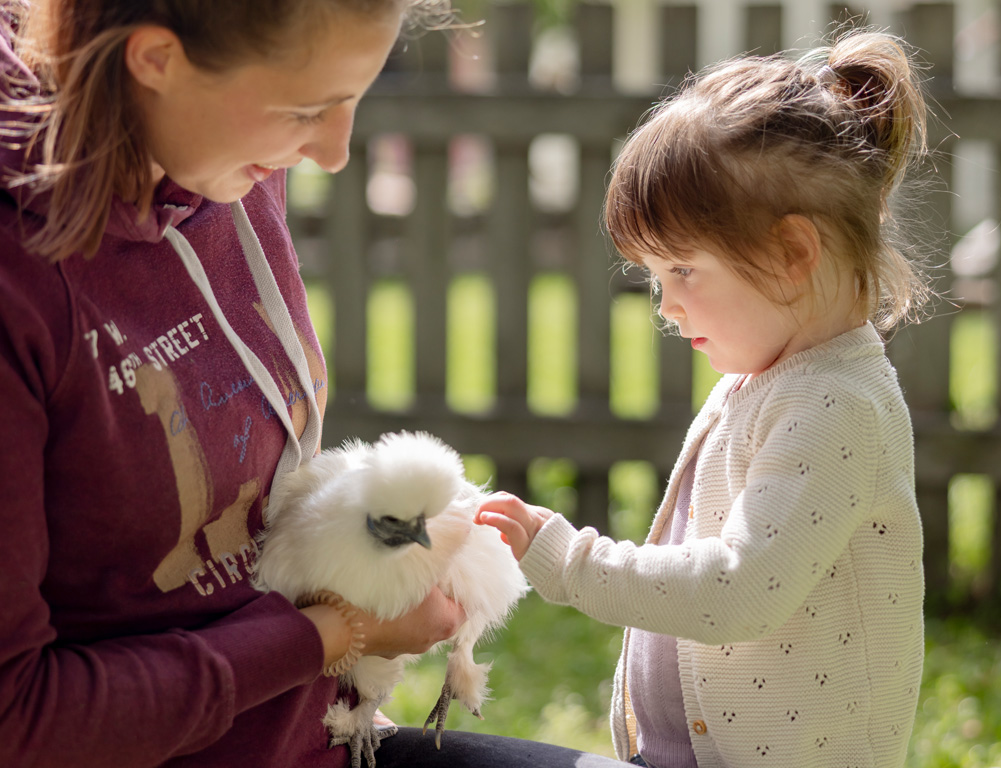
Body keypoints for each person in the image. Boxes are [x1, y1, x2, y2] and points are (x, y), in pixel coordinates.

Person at [0, 2, 628, 767]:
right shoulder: (20, 285)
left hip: (319, 739)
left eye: (354, 97)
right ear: (155, 60)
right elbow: (21, 722)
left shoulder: (217, 150)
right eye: (307, 109)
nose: (333, 152)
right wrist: (334, 633)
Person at [478, 29, 931, 768]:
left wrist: (568, 561)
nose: (666, 303)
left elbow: (737, 590)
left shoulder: (836, 406)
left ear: (792, 254)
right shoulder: (768, 380)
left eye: (683, 269)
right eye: (656, 275)